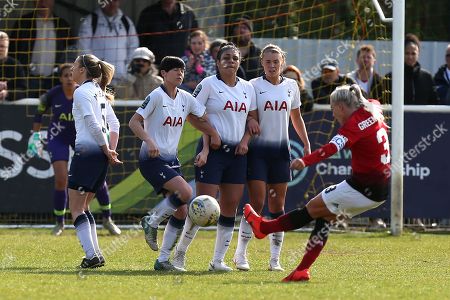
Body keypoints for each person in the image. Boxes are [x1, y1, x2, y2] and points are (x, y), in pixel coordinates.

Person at [244, 84, 390, 282]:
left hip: (362, 188)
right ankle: (301, 271)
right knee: (324, 217)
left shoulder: (353, 125)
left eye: (332, 109)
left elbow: (330, 149)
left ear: (340, 107)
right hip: (377, 189)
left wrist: (305, 160)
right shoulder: (371, 108)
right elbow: (372, 104)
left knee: (311, 209)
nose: (333, 115)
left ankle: (264, 229)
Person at [172, 42, 259, 272]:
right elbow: (190, 113)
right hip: (212, 152)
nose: (230, 61)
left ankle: (217, 260)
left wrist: (244, 141)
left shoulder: (248, 88)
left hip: (238, 154)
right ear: (218, 62)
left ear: (239, 61)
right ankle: (179, 255)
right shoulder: (208, 84)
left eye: (234, 57)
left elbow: (253, 117)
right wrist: (209, 141)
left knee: (230, 206)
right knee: (203, 207)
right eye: (225, 58)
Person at [129, 56, 220, 271]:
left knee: (181, 211)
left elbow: (202, 119)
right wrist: (149, 140)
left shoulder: (186, 98)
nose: (180, 73)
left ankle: (162, 260)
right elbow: (134, 122)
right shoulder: (156, 96)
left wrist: (208, 144)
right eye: (175, 70)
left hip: (171, 160)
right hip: (151, 160)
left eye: (182, 70)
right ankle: (151, 220)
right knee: (186, 191)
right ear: (163, 73)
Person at [233, 44, 311, 272]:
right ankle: (240, 254)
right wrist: (251, 121)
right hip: (258, 153)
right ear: (262, 63)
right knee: (256, 203)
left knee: (278, 206)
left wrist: (305, 142)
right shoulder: (253, 86)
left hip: (280, 154)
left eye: (276, 61)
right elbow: (249, 114)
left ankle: (275, 259)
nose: (272, 65)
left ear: (282, 62)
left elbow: (296, 117)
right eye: (268, 61)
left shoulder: (291, 86)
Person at [28, 63, 122, 236]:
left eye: (71, 74)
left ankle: (108, 219)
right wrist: (34, 134)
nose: (69, 78)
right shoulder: (53, 94)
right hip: (58, 138)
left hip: (83, 138)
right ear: (60, 78)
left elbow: (108, 121)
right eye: (65, 75)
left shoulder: (85, 93)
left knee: (97, 180)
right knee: (61, 179)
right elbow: (39, 111)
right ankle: (59, 223)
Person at [68, 54, 122, 268]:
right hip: (99, 157)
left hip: (87, 155)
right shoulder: (99, 92)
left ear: (82, 70)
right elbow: (114, 124)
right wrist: (110, 150)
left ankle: (91, 256)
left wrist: (107, 150)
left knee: (76, 209)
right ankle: (96, 254)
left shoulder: (81, 91)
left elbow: (92, 123)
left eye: (74, 65)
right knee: (85, 207)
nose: (71, 69)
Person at [9, 0, 73, 97]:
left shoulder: (62, 26)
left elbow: (70, 53)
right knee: (28, 109)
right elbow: (13, 53)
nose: (43, 2)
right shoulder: (23, 23)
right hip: (28, 81)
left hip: (54, 81)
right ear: (34, 2)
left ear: (53, 2)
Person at [78, 0, 139, 87]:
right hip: (97, 80)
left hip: (121, 79)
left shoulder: (126, 22)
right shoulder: (90, 20)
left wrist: (126, 70)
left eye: (115, 1)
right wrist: (93, 71)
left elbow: (133, 47)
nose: (112, 4)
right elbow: (83, 47)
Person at [137, 0, 198, 64]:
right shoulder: (148, 13)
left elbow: (196, 38)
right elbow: (140, 42)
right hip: (156, 67)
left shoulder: (188, 13)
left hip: (182, 67)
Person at [385, 33, 439, 105]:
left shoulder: (427, 78)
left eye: (413, 53)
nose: (410, 57)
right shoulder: (390, 78)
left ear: (418, 54)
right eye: (407, 53)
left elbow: (434, 103)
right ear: (401, 53)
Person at [0, 31, 26, 101]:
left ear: (7, 47)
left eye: (2, 46)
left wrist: (8, 93)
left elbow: (23, 91)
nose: (0, 49)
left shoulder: (16, 65)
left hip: (9, 108)